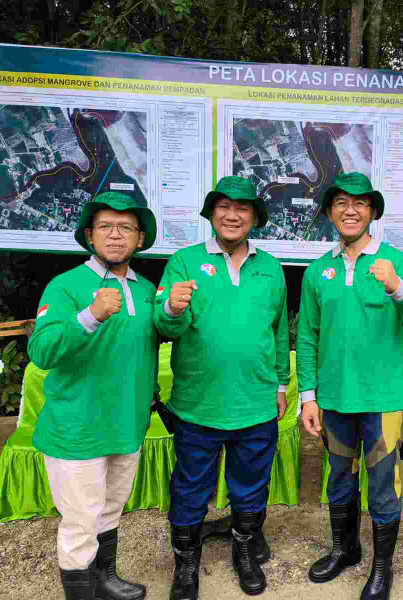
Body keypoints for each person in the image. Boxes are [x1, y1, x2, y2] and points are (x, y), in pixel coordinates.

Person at [297, 173, 403, 600]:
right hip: (334, 397)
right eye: (341, 203)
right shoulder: (318, 271)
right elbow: (308, 336)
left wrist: (396, 286)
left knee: (382, 483)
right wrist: (308, 397)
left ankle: (381, 568)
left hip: (381, 399)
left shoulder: (393, 260)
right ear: (329, 213)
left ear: (372, 211)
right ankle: (345, 550)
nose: (350, 210)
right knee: (339, 477)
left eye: (360, 203)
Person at [154, 176, 289, 599]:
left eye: (242, 208)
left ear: (254, 217)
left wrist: (281, 384)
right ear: (212, 213)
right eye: (224, 207)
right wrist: (171, 307)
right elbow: (164, 326)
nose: (233, 215)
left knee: (251, 485)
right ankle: (186, 567)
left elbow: (279, 333)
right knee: (190, 487)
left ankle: (244, 552)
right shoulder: (184, 262)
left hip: (256, 403)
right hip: (199, 404)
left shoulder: (270, 268)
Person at [28, 187, 159, 600]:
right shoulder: (66, 286)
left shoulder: (146, 289)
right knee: (80, 523)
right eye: (106, 226)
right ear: (89, 235)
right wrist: (89, 316)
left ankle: (105, 581)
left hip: (126, 425)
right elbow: (42, 351)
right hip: (77, 429)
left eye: (126, 227)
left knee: (110, 510)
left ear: (140, 238)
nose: (116, 235)